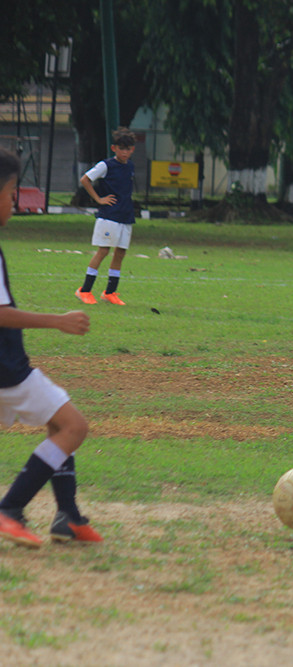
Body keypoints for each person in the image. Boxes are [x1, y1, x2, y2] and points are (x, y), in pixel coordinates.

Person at [0, 148, 103, 548]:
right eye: (11, 195)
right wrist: (57, 321)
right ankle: (10, 508)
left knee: (58, 418)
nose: (13, 204)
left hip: (10, 366)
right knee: (74, 426)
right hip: (7, 368)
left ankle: (68, 516)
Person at [75, 127, 137, 306]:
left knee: (120, 253)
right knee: (103, 251)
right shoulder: (106, 165)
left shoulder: (130, 166)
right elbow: (85, 179)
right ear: (114, 148)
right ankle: (84, 290)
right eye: (121, 148)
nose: (124, 152)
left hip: (125, 215)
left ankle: (110, 292)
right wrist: (98, 199)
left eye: (128, 149)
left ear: (132, 150)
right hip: (109, 216)